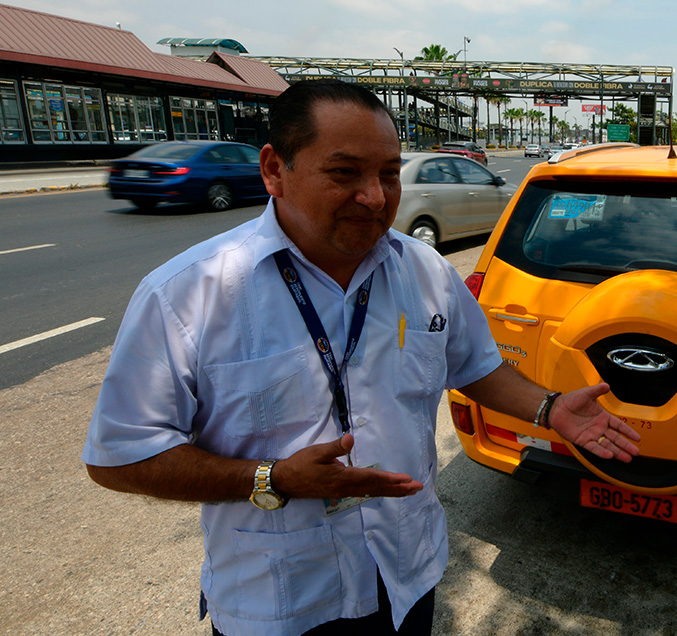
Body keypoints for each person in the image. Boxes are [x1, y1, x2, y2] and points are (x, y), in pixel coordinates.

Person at [82, 79, 640, 636]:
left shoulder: (427, 273)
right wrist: (271, 478)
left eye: (390, 173)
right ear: (275, 169)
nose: (375, 197)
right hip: (279, 601)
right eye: (344, 173)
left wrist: (549, 409)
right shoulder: (187, 295)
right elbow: (119, 457)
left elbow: (478, 369)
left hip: (406, 577)